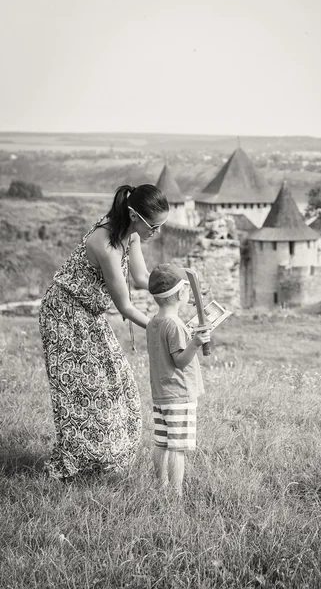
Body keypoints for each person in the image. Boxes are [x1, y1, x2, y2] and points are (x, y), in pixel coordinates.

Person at [39, 184, 169, 480]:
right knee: (82, 389)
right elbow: (124, 306)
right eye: (155, 226)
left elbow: (140, 279)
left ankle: (102, 461)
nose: (158, 232)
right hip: (64, 313)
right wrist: (162, 328)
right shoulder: (106, 244)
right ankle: (74, 463)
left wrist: (172, 286)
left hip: (90, 314)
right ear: (134, 214)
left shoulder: (132, 233)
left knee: (118, 383)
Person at [146, 263, 211, 496]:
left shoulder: (154, 322)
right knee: (178, 448)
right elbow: (180, 361)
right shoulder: (175, 325)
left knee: (161, 443)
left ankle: (160, 485)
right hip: (179, 395)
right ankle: (175, 493)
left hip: (161, 395)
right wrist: (195, 343)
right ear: (182, 294)